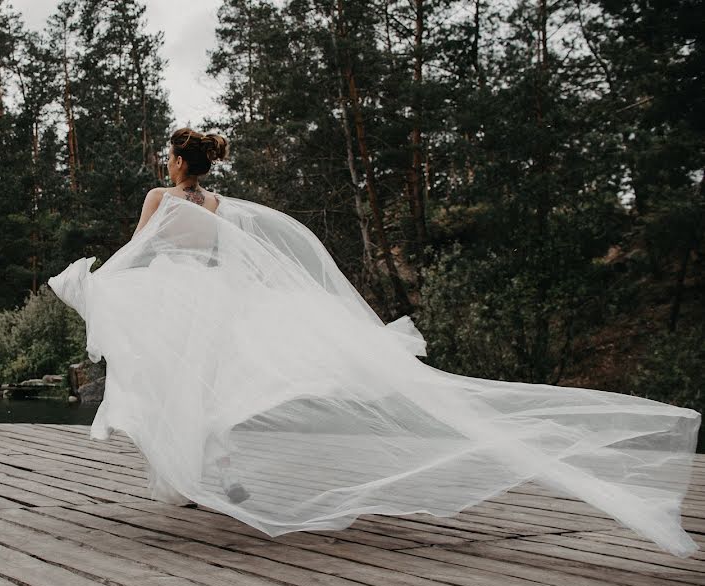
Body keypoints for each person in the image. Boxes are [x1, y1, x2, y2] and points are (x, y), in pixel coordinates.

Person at [48, 127, 702, 558]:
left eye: (167, 156)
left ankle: (201, 471)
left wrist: (98, 287)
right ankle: (203, 469)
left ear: (174, 159)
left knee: (176, 385)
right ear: (207, 161)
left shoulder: (160, 196)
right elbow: (228, 262)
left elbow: (135, 253)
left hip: (172, 300)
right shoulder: (220, 206)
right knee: (208, 388)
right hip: (209, 304)